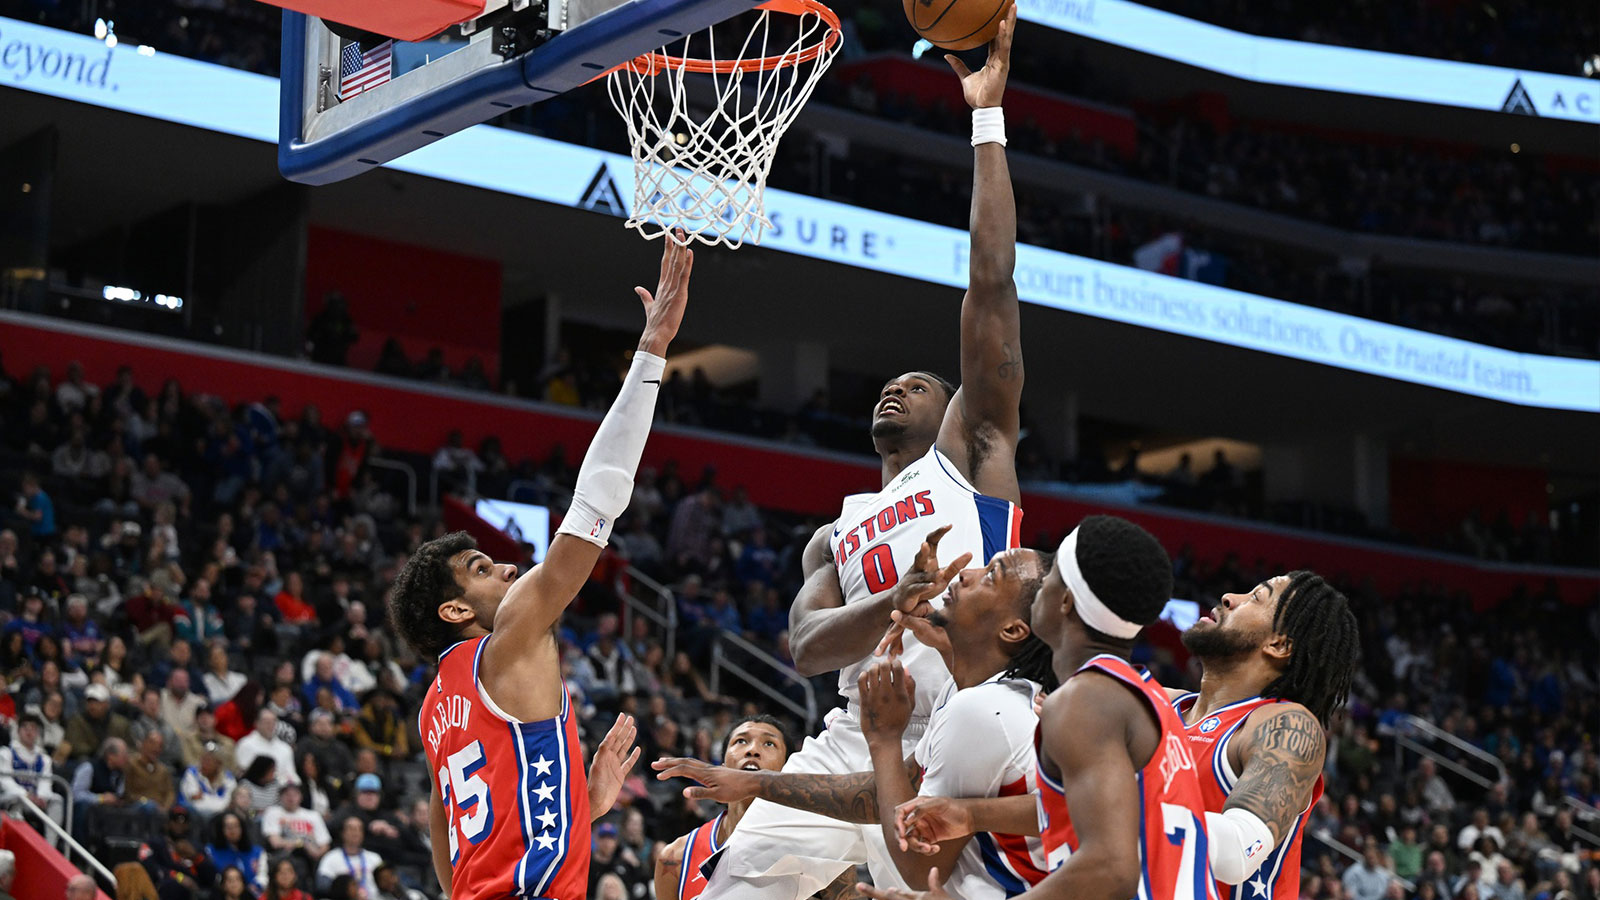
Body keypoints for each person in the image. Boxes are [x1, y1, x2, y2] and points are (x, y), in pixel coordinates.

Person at [712, 14, 1028, 899]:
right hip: (858, 729)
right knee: (735, 885)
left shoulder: (973, 457)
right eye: (886, 387)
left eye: (919, 386)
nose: (896, 391)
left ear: (954, 411)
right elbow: (807, 648)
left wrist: (987, 121)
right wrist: (894, 599)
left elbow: (992, 285)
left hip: (968, 736)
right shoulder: (834, 534)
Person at [388, 234, 692, 900]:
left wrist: (579, 808)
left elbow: (452, 847)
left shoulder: (434, 711)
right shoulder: (509, 640)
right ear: (455, 610)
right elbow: (600, 497)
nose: (504, 569)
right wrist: (653, 352)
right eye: (480, 568)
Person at [657, 542, 1056, 899]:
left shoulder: (985, 711)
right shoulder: (973, 696)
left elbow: (919, 871)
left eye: (992, 575)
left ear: (1013, 629)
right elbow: (876, 798)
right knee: (745, 864)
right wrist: (755, 782)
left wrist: (882, 738)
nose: (969, 572)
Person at [855, 515, 1213, 900]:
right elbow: (1102, 810)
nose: (1041, 582)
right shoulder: (1140, 692)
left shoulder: (1084, 701)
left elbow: (1110, 869)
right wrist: (974, 814)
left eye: (1054, 573)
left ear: (1064, 601)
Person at [651, 716, 792, 900]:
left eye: (769, 743)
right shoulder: (675, 858)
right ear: (722, 767)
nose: (752, 750)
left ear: (789, 771)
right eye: (741, 741)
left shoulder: (812, 852)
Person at [1, 711, 64, 826]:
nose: (29, 732)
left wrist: (41, 797)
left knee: (57, 800)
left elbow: (46, 782)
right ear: (18, 731)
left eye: (33, 728)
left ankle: (50, 842)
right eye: (25, 728)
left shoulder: (44, 759)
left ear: (38, 733)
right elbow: (5, 781)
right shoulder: (6, 753)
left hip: (35, 800)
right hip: (13, 798)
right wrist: (25, 795)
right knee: (16, 799)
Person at [315, 818, 382, 898]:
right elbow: (323, 886)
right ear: (343, 833)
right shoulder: (330, 858)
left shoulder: (375, 858)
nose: (355, 832)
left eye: (359, 829)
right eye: (351, 829)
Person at [179, 744, 237, 819]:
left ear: (218, 764)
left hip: (220, 817)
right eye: (203, 759)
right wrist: (218, 801)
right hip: (193, 816)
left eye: (208, 761)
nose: (204, 764)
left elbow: (229, 803)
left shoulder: (228, 777)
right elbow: (196, 803)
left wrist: (204, 797)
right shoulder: (192, 772)